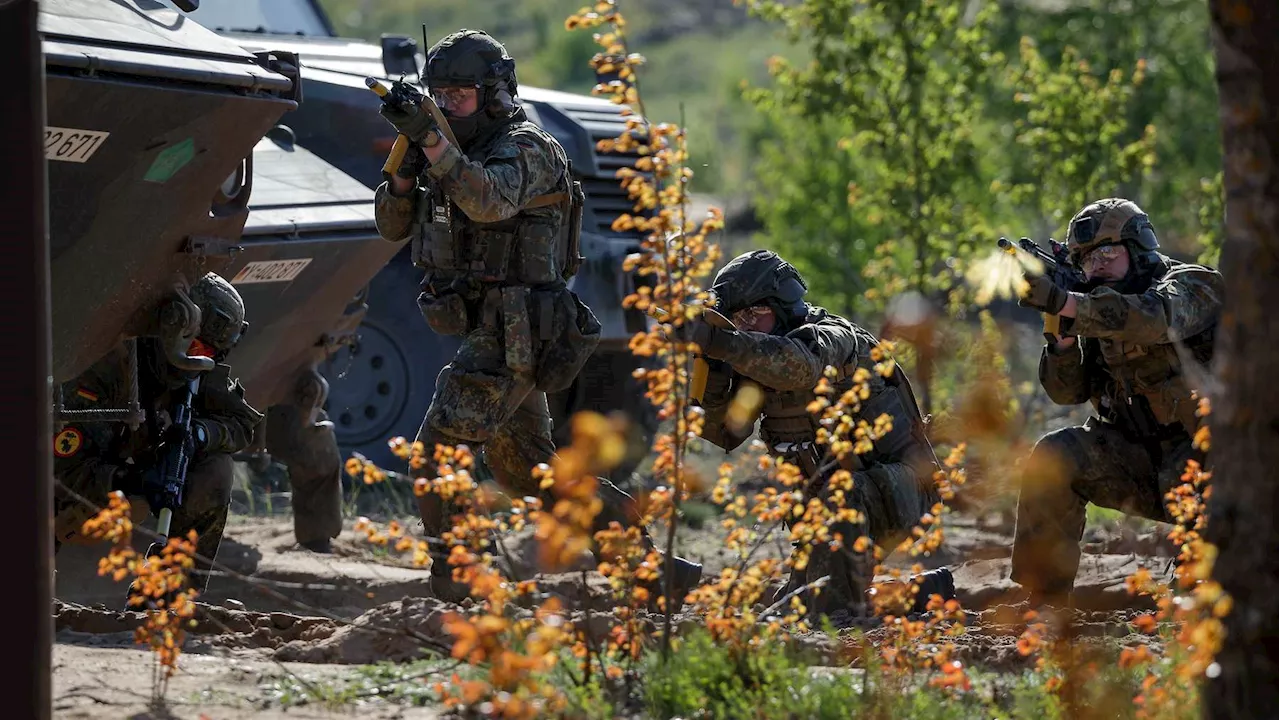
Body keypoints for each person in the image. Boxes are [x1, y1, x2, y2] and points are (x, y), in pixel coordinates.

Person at [372, 28, 700, 598]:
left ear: (495, 94)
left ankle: (463, 585)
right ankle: (652, 571)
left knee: (437, 454)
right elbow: (392, 226)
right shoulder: (447, 148)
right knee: (529, 471)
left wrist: (432, 140)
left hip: (519, 329)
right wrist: (406, 164)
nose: (448, 105)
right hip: (490, 326)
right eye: (439, 95)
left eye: (460, 95)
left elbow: (487, 198)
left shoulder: (529, 147)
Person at [679, 250, 947, 624]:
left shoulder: (836, 338)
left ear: (782, 304)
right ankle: (918, 593)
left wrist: (721, 342)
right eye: (737, 319)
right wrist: (708, 365)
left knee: (826, 612)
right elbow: (725, 433)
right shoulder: (756, 355)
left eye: (753, 314)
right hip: (838, 502)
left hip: (900, 491)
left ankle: (846, 609)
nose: (745, 326)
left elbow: (800, 368)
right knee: (792, 606)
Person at [1011, 198, 1225, 607]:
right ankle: (1045, 599)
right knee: (1056, 455)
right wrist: (1062, 344)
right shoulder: (1095, 302)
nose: (1097, 268)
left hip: (1210, 464)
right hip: (1143, 463)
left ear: (1139, 246)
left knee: (1200, 603)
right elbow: (1067, 392)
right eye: (1087, 261)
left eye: (1107, 254)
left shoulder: (1194, 285)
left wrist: (1070, 305)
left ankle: (1204, 592)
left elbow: (1155, 318)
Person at [53, 272, 264, 593]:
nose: (201, 359)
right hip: (69, 494)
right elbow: (61, 470)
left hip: (124, 484)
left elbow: (241, 423)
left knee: (216, 469)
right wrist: (131, 481)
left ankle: (167, 594)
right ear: (171, 328)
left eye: (210, 353)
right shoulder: (108, 369)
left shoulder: (196, 370)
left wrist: (200, 435)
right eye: (195, 346)